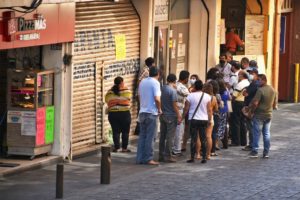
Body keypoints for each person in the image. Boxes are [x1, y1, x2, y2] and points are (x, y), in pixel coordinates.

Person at [182, 80, 212, 164]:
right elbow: (209, 110)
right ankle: (204, 158)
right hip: (204, 119)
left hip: (193, 119)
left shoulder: (190, 96)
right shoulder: (207, 96)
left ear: (194, 87)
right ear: (202, 87)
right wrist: (209, 120)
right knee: (203, 138)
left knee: (194, 139)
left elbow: (186, 109)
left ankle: (192, 157)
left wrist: (182, 117)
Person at [136, 66, 162, 165]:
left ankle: (140, 158)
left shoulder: (142, 81)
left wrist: (143, 105)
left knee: (142, 136)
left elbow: (139, 95)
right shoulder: (156, 83)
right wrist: (159, 109)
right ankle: (148, 158)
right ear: (158, 74)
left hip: (142, 112)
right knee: (151, 137)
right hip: (152, 113)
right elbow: (157, 98)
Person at [249, 74, 277, 158]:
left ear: (264, 80)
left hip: (258, 115)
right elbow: (275, 104)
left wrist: (251, 111)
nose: (257, 81)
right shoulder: (273, 89)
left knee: (256, 133)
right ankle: (266, 152)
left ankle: (255, 151)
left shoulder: (260, 90)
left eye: (259, 80)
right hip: (268, 115)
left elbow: (255, 103)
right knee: (266, 133)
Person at [105, 77, 132, 152]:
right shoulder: (127, 91)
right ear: (122, 83)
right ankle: (124, 148)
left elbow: (107, 100)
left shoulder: (109, 92)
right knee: (125, 131)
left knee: (115, 131)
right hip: (125, 113)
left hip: (113, 114)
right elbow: (128, 99)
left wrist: (115, 101)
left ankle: (116, 147)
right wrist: (120, 101)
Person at [159, 74, 181, 163]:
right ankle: (168, 156)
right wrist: (179, 115)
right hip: (171, 116)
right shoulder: (173, 91)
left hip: (163, 115)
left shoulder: (162, 88)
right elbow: (175, 105)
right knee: (170, 137)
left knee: (162, 136)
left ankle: (161, 155)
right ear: (175, 81)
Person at [135, 57, 156, 135]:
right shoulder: (145, 70)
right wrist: (141, 92)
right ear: (152, 63)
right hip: (141, 94)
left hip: (143, 94)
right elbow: (139, 81)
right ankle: (139, 129)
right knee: (141, 110)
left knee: (142, 110)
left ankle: (140, 129)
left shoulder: (148, 70)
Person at [173, 70, 190, 155]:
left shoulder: (173, 84)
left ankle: (173, 148)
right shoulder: (182, 87)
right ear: (186, 78)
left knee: (173, 131)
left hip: (172, 110)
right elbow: (188, 96)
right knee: (179, 131)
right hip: (179, 110)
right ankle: (177, 150)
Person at [230, 70, 250, 146]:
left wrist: (231, 100)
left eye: (239, 75)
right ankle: (243, 141)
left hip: (237, 103)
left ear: (241, 76)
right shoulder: (248, 83)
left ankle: (236, 141)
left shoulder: (240, 84)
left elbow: (234, 96)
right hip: (244, 103)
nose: (238, 77)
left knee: (236, 123)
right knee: (242, 122)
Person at [242, 68, 259, 151]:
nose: (250, 75)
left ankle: (252, 144)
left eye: (251, 73)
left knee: (250, 127)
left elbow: (245, 93)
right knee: (251, 126)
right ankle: (252, 144)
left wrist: (245, 91)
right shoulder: (254, 83)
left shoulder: (254, 84)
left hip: (250, 108)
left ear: (255, 74)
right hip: (251, 107)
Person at [202, 82, 218, 160]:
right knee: (209, 136)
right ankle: (208, 154)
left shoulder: (202, 96)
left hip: (201, 116)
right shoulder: (213, 98)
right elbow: (216, 109)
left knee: (199, 136)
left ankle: (198, 153)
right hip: (210, 117)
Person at [217, 80, 231, 149]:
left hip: (218, 110)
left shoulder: (217, 93)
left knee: (217, 126)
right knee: (224, 127)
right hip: (225, 110)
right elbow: (229, 99)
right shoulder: (226, 91)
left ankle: (216, 143)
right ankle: (225, 144)